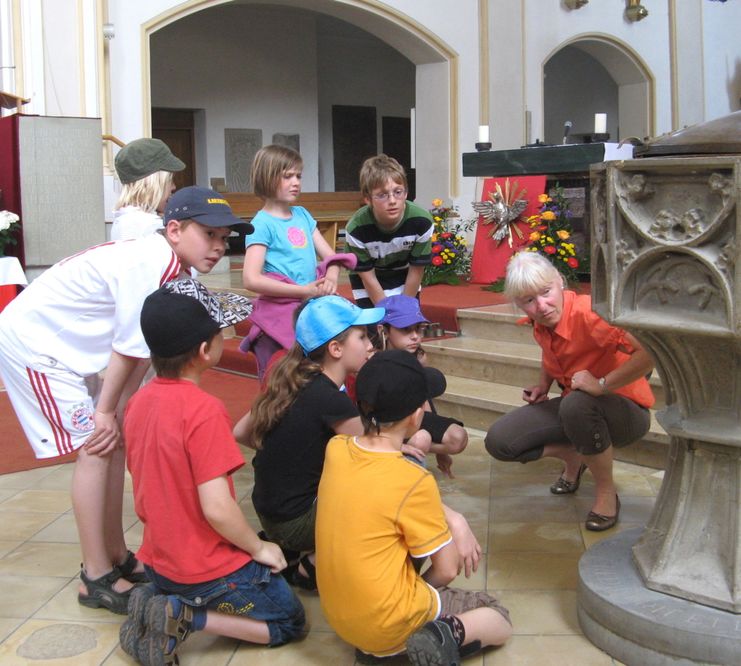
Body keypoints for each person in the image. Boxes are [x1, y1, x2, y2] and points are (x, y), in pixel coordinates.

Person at [0, 186, 252, 614]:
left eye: (224, 238)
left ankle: (117, 554)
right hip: (36, 347)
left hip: (71, 350)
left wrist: (120, 412)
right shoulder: (150, 262)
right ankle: (95, 576)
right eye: (209, 234)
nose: (218, 247)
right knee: (95, 447)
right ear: (174, 229)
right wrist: (105, 413)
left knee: (112, 440)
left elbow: (143, 349)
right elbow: (127, 347)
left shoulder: (176, 269)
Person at [119, 279, 305, 665]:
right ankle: (189, 615)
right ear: (205, 350)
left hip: (160, 560)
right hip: (206, 570)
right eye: (222, 332)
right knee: (289, 619)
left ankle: (157, 599)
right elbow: (217, 508)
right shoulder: (203, 410)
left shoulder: (137, 402)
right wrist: (259, 548)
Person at [316, 350, 512, 664]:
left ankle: (392, 633)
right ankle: (431, 637)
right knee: (496, 616)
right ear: (416, 416)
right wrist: (416, 594)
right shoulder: (413, 480)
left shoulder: (336, 448)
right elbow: (447, 569)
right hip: (387, 624)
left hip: (340, 617)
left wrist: (455, 519)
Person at [485, 251, 655, 531]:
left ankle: (605, 493)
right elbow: (551, 351)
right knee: (501, 441)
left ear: (560, 282)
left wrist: (602, 385)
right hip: (575, 407)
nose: (541, 306)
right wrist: (544, 385)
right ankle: (573, 456)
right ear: (519, 303)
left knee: (577, 404)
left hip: (626, 412)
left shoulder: (591, 314)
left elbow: (650, 352)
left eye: (546, 292)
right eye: (529, 300)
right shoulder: (540, 322)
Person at [233, 295, 384, 590]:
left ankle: (288, 548)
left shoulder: (291, 379)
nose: (370, 345)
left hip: (269, 511)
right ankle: (309, 568)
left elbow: (240, 432)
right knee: (378, 497)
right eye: (362, 337)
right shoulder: (330, 399)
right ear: (336, 348)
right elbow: (377, 455)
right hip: (294, 522)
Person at [241, 144, 356, 376]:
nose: (296, 182)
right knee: (285, 375)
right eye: (287, 176)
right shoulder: (261, 224)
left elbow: (331, 257)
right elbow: (251, 279)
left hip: (308, 302)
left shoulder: (302, 215)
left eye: (298, 176)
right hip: (282, 306)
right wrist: (302, 290)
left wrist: (331, 277)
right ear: (267, 177)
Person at [376, 294, 468, 477]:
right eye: (406, 330)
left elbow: (425, 398)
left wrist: (442, 453)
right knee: (421, 440)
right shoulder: (375, 364)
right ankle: (403, 474)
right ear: (384, 331)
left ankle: (410, 450)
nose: (415, 336)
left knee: (458, 438)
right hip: (386, 425)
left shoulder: (418, 358)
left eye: (418, 329)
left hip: (414, 417)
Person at [344, 154, 433, 308]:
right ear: (367, 199)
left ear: (406, 192)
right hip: (369, 278)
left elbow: (416, 270)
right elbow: (368, 278)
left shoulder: (421, 221)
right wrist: (387, 312)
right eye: (382, 195)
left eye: (398, 192)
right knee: (376, 324)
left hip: (405, 274)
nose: (392, 201)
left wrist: (404, 309)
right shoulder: (357, 229)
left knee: (406, 323)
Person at [110, 137, 185, 241]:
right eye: (169, 180)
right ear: (150, 183)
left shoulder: (124, 220)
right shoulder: (151, 228)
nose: (174, 186)